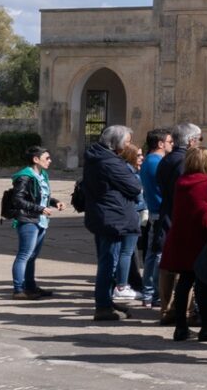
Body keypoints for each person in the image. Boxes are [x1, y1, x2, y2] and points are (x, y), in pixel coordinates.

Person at [76, 124, 142, 322]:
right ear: (116, 143)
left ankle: (105, 300)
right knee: (108, 263)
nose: (128, 146)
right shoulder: (109, 161)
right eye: (127, 142)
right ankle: (103, 306)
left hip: (104, 215)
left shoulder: (98, 156)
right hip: (112, 218)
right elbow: (135, 187)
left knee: (107, 261)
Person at [160, 146, 207, 342]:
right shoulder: (206, 184)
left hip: (181, 237)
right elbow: (206, 214)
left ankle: (181, 327)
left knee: (184, 282)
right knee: (204, 286)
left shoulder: (181, 182)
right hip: (199, 239)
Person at [152, 122, 199, 322]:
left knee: (169, 265)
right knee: (182, 267)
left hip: (168, 214)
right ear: (191, 141)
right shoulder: (184, 161)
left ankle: (168, 309)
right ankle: (180, 311)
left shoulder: (167, 159)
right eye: (198, 140)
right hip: (179, 217)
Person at [5, 145, 63, 300]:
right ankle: (18, 290)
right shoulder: (24, 176)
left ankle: (30, 287)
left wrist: (54, 202)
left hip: (40, 220)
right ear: (35, 159)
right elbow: (18, 200)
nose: (50, 161)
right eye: (47, 158)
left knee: (32, 256)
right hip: (27, 220)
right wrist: (39, 209)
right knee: (24, 255)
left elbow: (39, 196)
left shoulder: (42, 174)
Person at [138, 128, 174, 305]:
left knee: (153, 253)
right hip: (160, 211)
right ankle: (155, 293)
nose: (172, 145)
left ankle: (149, 292)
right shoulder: (156, 162)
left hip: (155, 210)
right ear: (161, 144)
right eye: (170, 142)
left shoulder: (150, 160)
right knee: (159, 253)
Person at [113, 138, 145, 305]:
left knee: (126, 252)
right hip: (130, 216)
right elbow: (137, 198)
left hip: (125, 216)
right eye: (138, 155)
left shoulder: (125, 171)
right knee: (126, 252)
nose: (142, 157)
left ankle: (121, 284)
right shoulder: (130, 174)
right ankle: (121, 286)